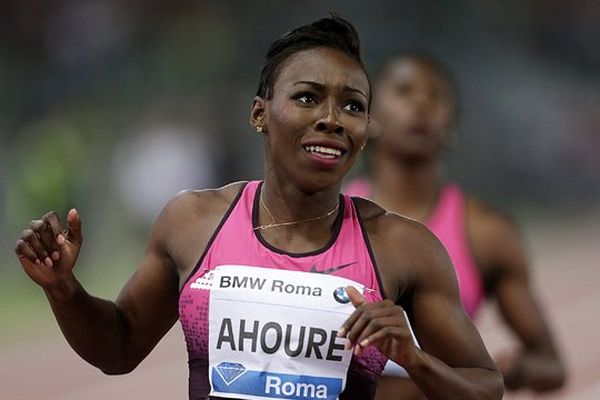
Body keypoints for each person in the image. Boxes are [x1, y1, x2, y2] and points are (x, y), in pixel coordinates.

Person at [15, 16, 504, 400]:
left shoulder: (404, 248)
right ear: (259, 114)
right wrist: (63, 289)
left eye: (353, 106)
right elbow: (118, 349)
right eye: (308, 98)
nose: (332, 120)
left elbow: (484, 387)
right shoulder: (192, 223)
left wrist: (415, 360)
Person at [344, 51, 566, 399]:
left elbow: (551, 366)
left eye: (436, 94)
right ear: (369, 117)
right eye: (404, 91)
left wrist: (516, 370)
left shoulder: (486, 232)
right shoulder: (331, 217)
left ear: (452, 123)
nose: (422, 104)